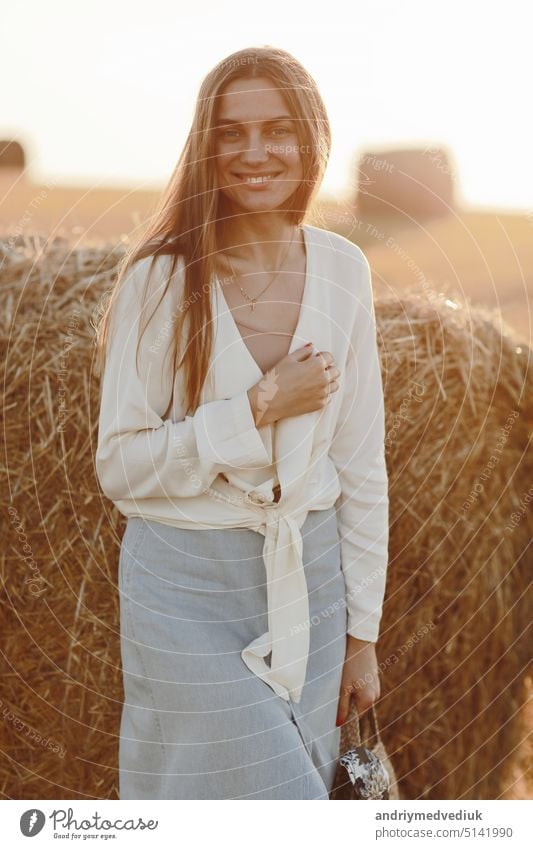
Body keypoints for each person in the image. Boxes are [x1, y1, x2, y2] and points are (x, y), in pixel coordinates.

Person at [94, 45, 389, 800]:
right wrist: (256, 409)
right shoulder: (160, 277)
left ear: (311, 141)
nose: (254, 153)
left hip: (309, 582)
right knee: (274, 801)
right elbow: (120, 465)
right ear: (206, 146)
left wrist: (362, 639)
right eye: (230, 132)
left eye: (277, 130)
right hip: (182, 588)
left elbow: (359, 468)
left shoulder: (343, 268)